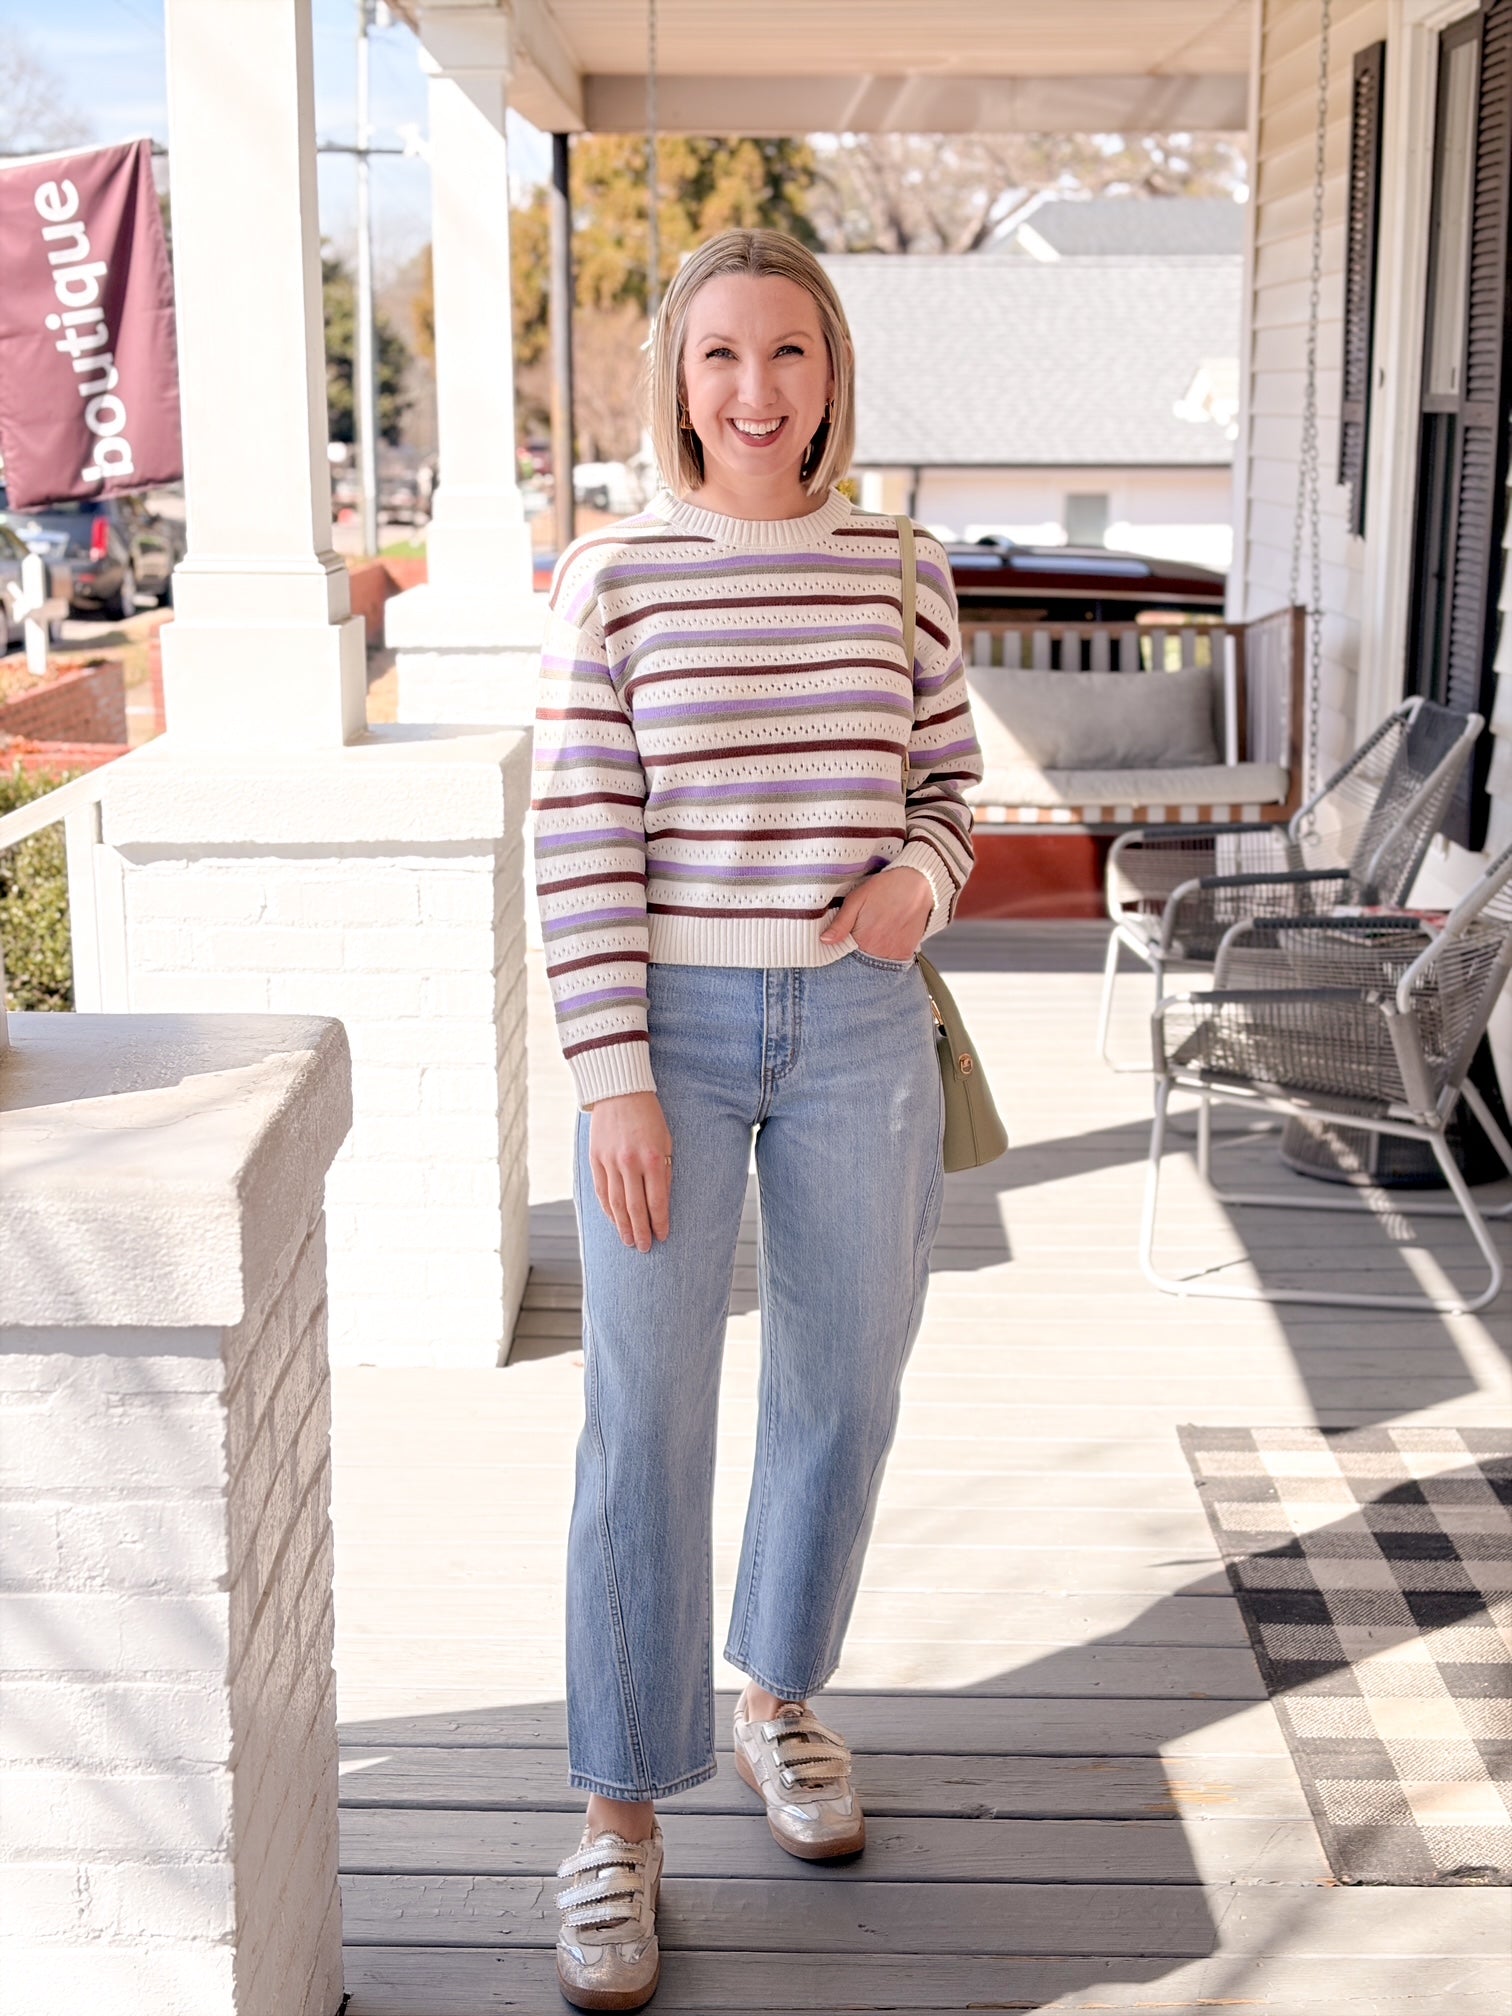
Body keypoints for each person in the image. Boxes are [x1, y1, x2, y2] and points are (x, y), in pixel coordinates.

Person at [533, 227, 982, 2011]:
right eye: (720, 356)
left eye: (786, 353)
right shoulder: (616, 579)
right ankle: (616, 1814)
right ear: (679, 382)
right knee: (643, 1410)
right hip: (676, 1039)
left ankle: (777, 1699)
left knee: (844, 1385)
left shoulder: (902, 569)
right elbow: (577, 832)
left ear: (830, 370)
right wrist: (613, 1075)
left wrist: (920, 890)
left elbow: (952, 787)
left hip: (867, 1026)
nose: (755, 390)